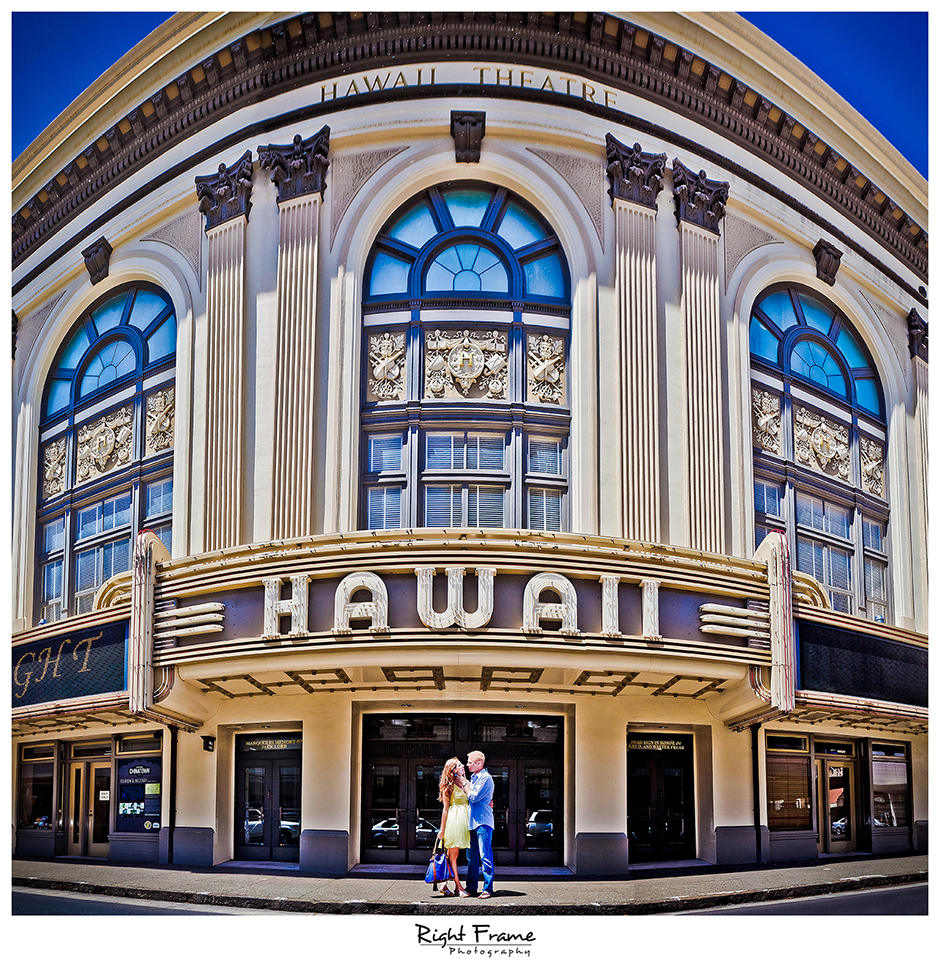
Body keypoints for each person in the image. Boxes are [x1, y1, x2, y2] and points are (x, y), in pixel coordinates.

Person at [456, 749, 495, 898]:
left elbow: (473, 797)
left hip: (483, 822)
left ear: (479, 763)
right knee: (471, 857)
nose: (467, 765)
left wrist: (464, 782)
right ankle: (471, 888)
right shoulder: (474, 778)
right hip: (472, 823)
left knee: (485, 855)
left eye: (470, 762)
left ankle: (488, 889)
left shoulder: (485, 778)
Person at [434, 757, 470, 896]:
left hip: (465, 821)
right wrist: (442, 829)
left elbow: (472, 797)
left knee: (453, 856)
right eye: (460, 765)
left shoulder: (465, 782)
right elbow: (445, 809)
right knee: (453, 856)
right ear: (453, 770)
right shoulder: (448, 786)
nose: (463, 766)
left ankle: (444, 885)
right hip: (454, 821)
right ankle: (458, 887)